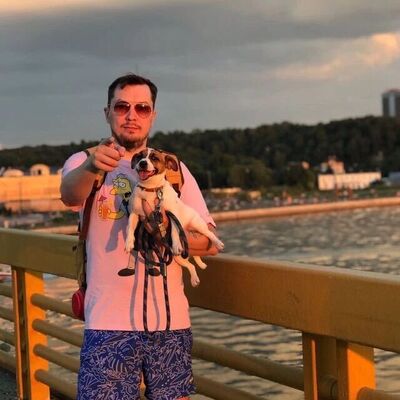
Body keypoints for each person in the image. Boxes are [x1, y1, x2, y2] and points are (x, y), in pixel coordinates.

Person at [60, 73, 220, 400]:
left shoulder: (173, 170)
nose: (132, 115)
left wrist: (166, 233)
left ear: (152, 115)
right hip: (106, 323)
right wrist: (92, 167)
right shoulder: (85, 161)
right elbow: (69, 195)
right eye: (122, 107)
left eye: (142, 108)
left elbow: (209, 242)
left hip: (170, 322)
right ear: (107, 112)